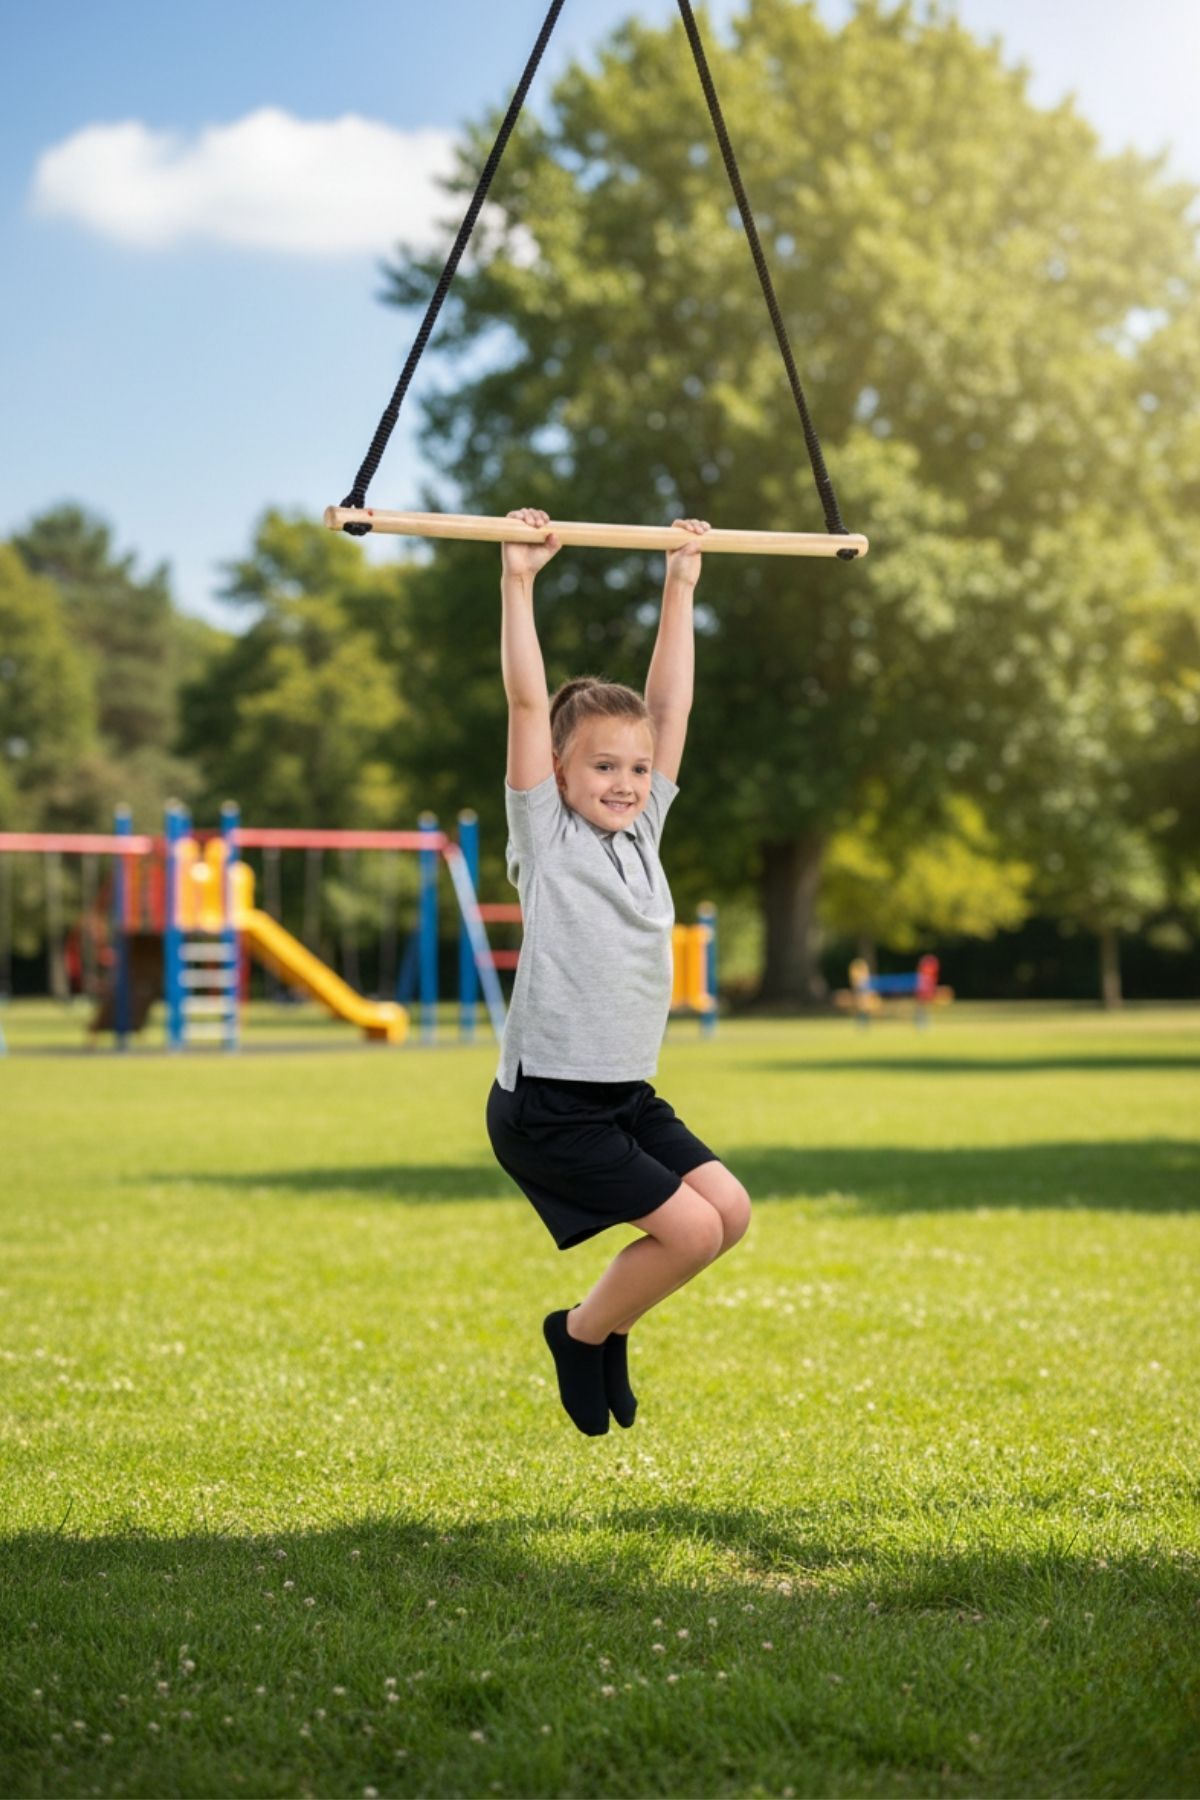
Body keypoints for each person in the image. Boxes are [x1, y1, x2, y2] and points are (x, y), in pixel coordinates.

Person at [485, 506, 752, 1436]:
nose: (627, 782)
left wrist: (681, 582)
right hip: (550, 1103)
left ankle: (603, 1325)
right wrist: (519, 580)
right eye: (603, 766)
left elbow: (669, 707)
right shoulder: (547, 837)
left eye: (637, 769)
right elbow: (527, 702)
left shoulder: (644, 830)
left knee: (729, 1211)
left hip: (623, 1093)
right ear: (558, 773)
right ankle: (580, 1332)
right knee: (688, 1230)